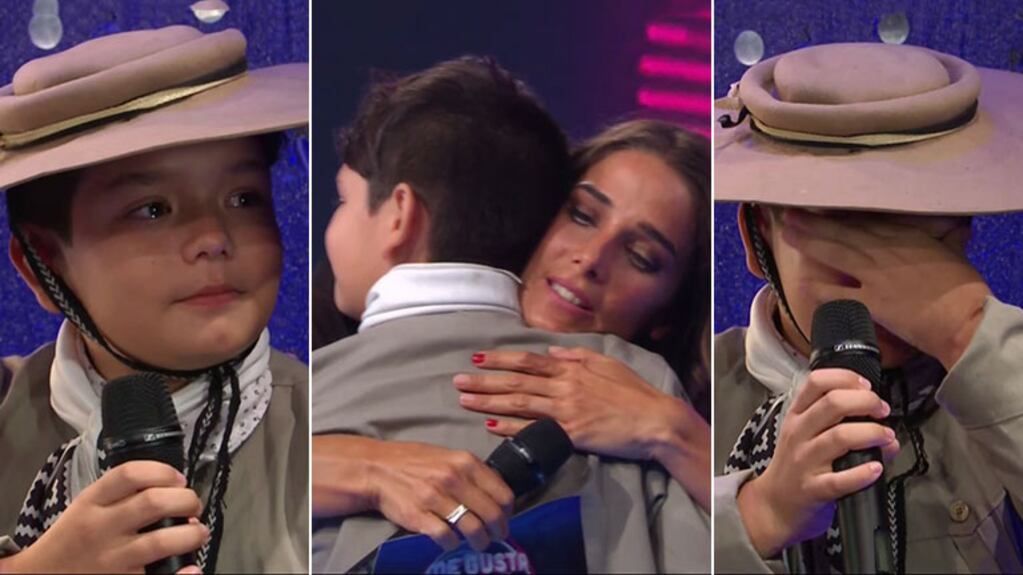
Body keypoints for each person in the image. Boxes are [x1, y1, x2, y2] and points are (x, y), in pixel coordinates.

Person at [312, 58, 709, 573]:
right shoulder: (332, 331)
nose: (590, 259)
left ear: (667, 317)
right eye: (582, 215)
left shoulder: (658, 400)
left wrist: (674, 430)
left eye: (641, 257)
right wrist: (362, 466)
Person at [0, 26, 308, 573]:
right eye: (152, 210)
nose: (213, 238)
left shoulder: (329, 423)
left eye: (244, 198)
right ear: (41, 265)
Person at [713, 42, 1023, 573]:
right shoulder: (698, 390)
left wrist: (968, 326)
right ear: (755, 237)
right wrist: (758, 516)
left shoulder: (1006, 363)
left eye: (929, 248)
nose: (886, 293)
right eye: (845, 252)